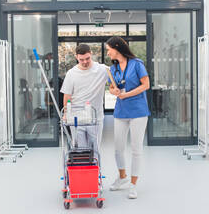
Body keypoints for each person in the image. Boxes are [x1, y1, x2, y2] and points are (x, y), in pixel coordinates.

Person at [106, 36, 150, 199]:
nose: (108, 52)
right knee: (118, 148)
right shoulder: (113, 69)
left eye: (109, 49)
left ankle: (133, 184)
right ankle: (122, 176)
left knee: (136, 148)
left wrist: (127, 94)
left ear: (117, 48)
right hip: (121, 111)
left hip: (138, 110)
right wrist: (114, 92)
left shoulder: (137, 63)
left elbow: (146, 85)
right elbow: (111, 87)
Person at [60, 44, 108, 155]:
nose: (85, 62)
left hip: (95, 117)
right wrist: (66, 113)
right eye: (81, 59)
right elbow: (67, 96)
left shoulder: (102, 69)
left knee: (95, 150)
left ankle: (96, 171)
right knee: (79, 150)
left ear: (91, 54)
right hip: (76, 118)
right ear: (76, 57)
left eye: (87, 58)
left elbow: (116, 77)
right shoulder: (71, 73)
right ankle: (81, 172)